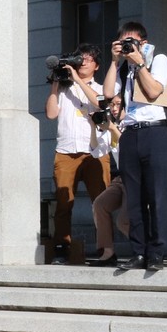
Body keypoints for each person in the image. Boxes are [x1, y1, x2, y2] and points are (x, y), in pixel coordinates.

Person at [102, 22, 167, 271]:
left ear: (144, 42)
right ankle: (139, 252)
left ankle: (156, 252)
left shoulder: (158, 60)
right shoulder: (123, 69)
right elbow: (109, 94)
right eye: (123, 42)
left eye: (131, 42)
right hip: (130, 133)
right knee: (134, 198)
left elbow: (154, 91)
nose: (127, 47)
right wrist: (114, 62)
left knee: (157, 195)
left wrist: (140, 62)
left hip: (156, 131)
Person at [44, 44, 109, 265]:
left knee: (101, 201)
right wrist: (55, 84)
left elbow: (99, 103)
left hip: (95, 151)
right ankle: (62, 248)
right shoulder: (63, 90)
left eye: (88, 60)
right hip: (66, 151)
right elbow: (51, 114)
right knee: (64, 203)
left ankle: (105, 249)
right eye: (80, 59)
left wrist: (78, 80)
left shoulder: (101, 88)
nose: (83, 63)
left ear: (97, 66)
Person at [88, 95, 129, 266]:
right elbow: (96, 152)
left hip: (135, 177)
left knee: (123, 221)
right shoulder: (111, 127)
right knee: (100, 204)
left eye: (118, 104)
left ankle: (147, 249)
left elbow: (127, 147)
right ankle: (108, 252)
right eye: (112, 104)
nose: (114, 108)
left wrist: (112, 129)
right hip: (121, 177)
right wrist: (93, 127)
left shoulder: (132, 124)